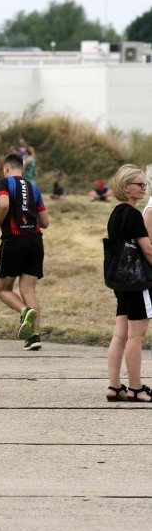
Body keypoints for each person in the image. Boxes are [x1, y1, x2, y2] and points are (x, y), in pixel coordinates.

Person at [0, 153, 50, 351]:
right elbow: (45, 222)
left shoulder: (4, 183)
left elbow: (4, 204)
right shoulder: (33, 187)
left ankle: (24, 312)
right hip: (35, 240)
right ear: (23, 169)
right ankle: (33, 337)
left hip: (14, 241)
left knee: (3, 289)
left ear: (6, 168)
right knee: (28, 290)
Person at [105, 165, 152, 402]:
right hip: (137, 282)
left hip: (120, 280)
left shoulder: (115, 214)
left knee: (120, 334)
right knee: (137, 335)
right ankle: (136, 388)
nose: (144, 188)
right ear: (127, 188)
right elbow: (147, 250)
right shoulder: (133, 215)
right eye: (140, 185)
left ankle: (114, 386)